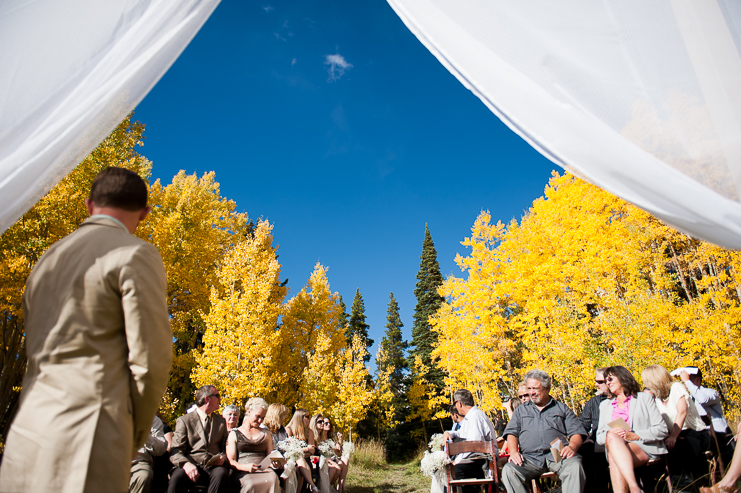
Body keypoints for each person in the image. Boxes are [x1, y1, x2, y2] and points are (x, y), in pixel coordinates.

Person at [0, 167, 172, 493]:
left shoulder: (46, 260)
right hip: (89, 435)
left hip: (26, 430)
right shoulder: (135, 254)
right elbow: (151, 359)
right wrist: (135, 433)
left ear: (89, 204)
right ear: (145, 213)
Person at [501, 370, 587, 493]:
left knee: (574, 466)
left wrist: (572, 447)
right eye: (529, 388)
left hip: (558, 454)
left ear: (547, 389)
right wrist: (514, 452)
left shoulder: (561, 408)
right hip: (530, 457)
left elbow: (577, 432)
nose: (531, 393)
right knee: (509, 470)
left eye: (535, 388)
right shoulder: (520, 411)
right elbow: (511, 434)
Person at [596, 366, 668, 493]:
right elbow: (600, 438)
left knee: (614, 457)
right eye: (606, 380)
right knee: (612, 439)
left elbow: (662, 429)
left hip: (643, 446)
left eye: (610, 378)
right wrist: (609, 433)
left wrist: (636, 435)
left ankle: (634, 488)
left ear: (623, 378)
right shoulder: (604, 406)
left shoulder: (643, 399)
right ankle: (634, 487)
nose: (608, 382)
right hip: (616, 447)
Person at [642, 364, 710, 486]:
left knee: (678, 447)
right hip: (674, 436)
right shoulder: (658, 398)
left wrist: (673, 435)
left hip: (694, 433)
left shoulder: (676, 387)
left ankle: (684, 486)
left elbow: (682, 412)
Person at [169, 385, 229, 493]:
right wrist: (186, 465)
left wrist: (222, 459)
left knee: (221, 473)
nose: (220, 399)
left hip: (213, 468)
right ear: (207, 399)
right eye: (217, 396)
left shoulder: (221, 422)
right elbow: (175, 450)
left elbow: (225, 448)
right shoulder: (184, 421)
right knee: (177, 476)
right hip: (190, 465)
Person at [441, 389, 497, 493]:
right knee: (446, 470)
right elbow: (461, 433)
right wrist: (448, 433)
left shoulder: (475, 416)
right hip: (476, 459)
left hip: (482, 461)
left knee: (454, 470)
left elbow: (474, 445)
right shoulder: (470, 416)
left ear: (459, 403)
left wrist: (456, 461)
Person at [680, 367, 736, 464]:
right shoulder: (689, 399)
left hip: (719, 435)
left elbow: (702, 399)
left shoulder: (711, 393)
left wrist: (687, 382)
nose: (686, 384)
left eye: (688, 381)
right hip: (701, 436)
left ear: (698, 380)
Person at [226, 398, 280, 493]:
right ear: (249, 412)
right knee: (251, 483)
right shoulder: (235, 434)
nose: (260, 420)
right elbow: (231, 461)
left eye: (263, 418)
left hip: (264, 470)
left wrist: (275, 463)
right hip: (242, 471)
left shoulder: (266, 433)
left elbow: (270, 456)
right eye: (257, 416)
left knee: (273, 479)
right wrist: (245, 467)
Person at [579, 367, 610, 493]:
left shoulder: (623, 400)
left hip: (619, 441)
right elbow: (581, 426)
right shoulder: (593, 402)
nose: (596, 384)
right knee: (583, 450)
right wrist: (585, 438)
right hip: (596, 443)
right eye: (596, 381)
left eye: (600, 382)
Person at [130, 415, 168, 493]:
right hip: (114, 461)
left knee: (143, 477)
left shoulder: (152, 419)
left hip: (139, 463)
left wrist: (144, 435)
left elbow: (160, 449)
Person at [286, 409, 320, 493]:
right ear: (299, 418)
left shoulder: (309, 431)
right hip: (291, 460)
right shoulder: (289, 430)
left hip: (306, 460)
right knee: (299, 465)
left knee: (299, 467)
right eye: (307, 417)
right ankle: (313, 486)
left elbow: (312, 451)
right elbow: (289, 450)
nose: (309, 419)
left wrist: (301, 451)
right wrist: (306, 449)